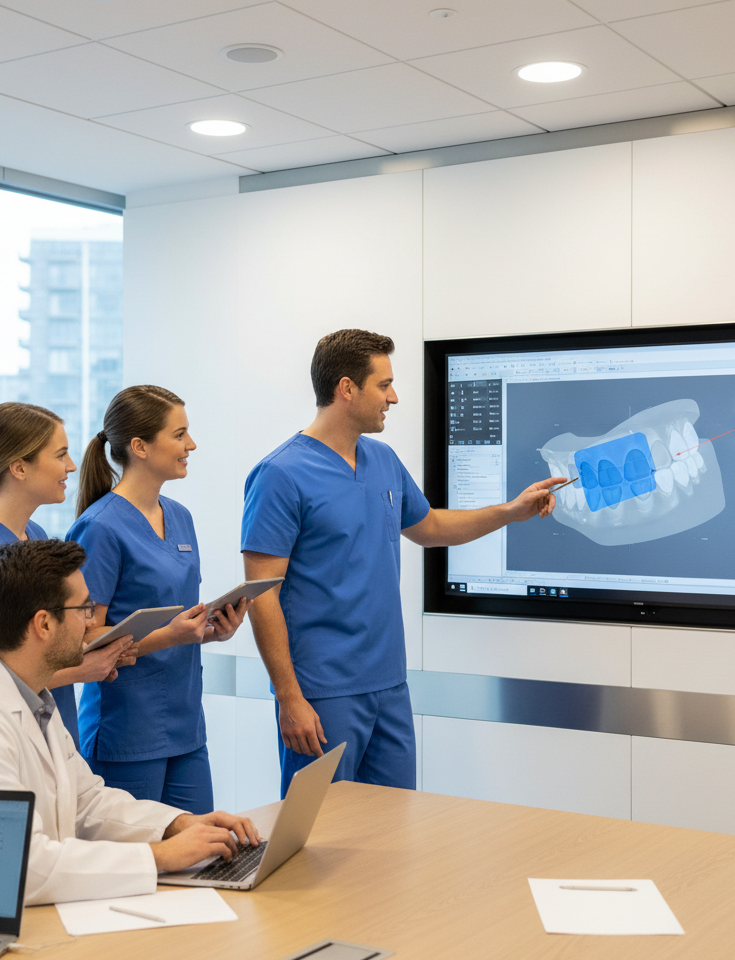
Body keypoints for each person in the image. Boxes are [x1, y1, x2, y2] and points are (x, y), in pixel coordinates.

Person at [241, 328, 563, 796]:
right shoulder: (280, 475)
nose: (393, 397)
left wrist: (512, 511)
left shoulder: (383, 460)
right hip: (323, 691)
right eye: (383, 384)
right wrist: (289, 697)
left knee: (392, 832)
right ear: (346, 388)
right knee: (324, 840)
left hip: (388, 685)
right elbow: (261, 594)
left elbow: (430, 527)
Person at [0, 539, 260, 906]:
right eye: (84, 609)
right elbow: (15, 865)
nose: (92, 622)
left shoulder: (32, 699)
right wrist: (161, 857)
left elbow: (87, 803)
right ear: (43, 623)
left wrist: (179, 825)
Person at [67, 385, 249, 814]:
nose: (192, 445)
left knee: (202, 855)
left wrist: (209, 630)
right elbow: (85, 638)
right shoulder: (100, 528)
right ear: (139, 447)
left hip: (186, 725)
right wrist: (170, 636)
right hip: (126, 731)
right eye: (180, 434)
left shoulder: (181, 518)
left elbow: (177, 621)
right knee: (135, 867)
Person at [0, 402, 135, 743]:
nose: (70, 466)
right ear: (19, 468)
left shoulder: (35, 536)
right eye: (60, 455)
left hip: (49, 733)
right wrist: (80, 670)